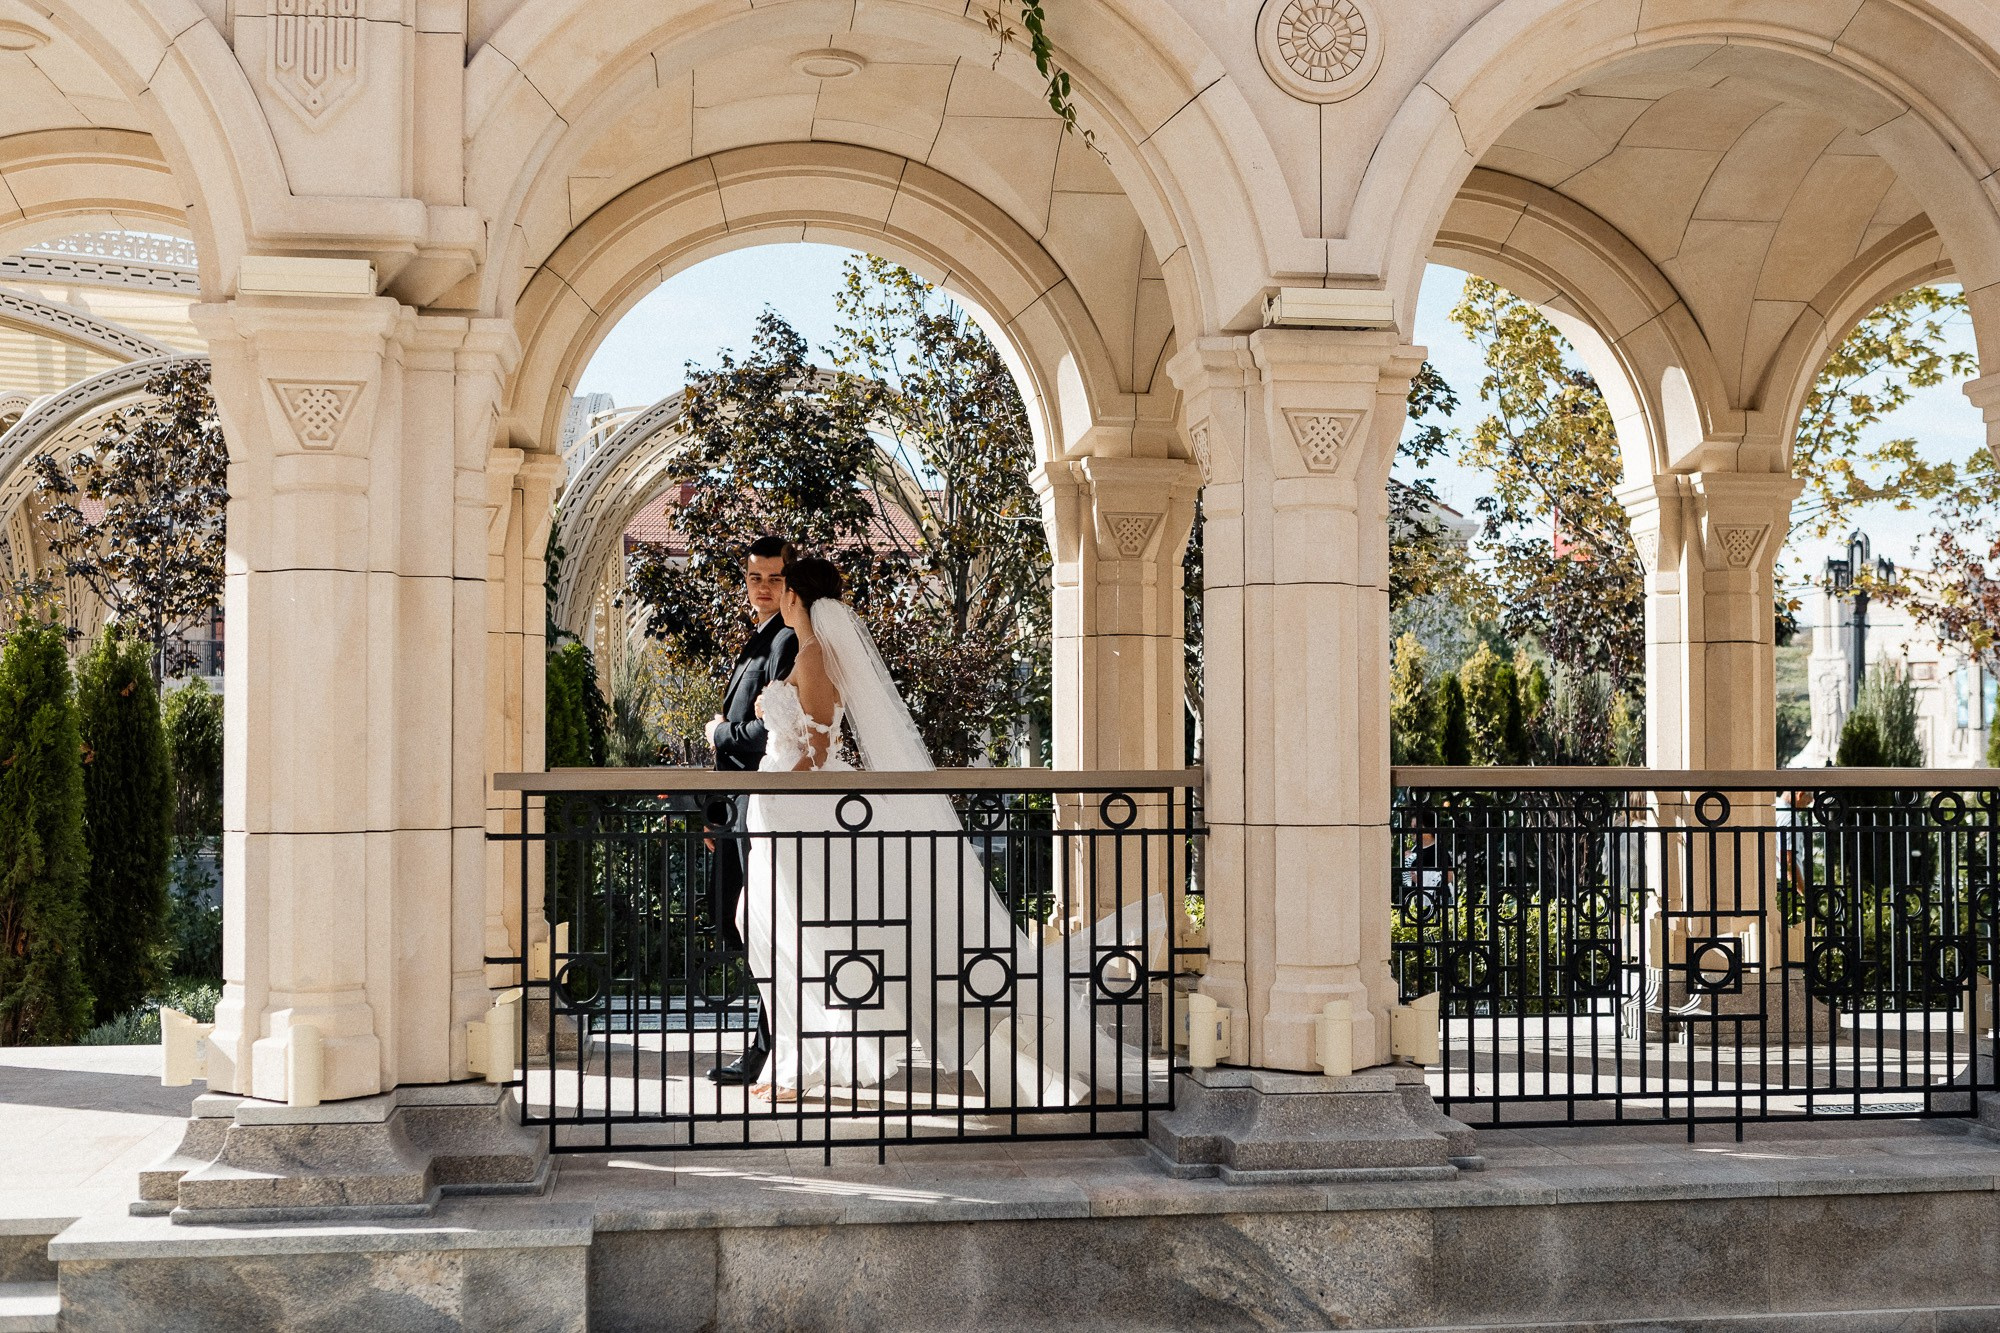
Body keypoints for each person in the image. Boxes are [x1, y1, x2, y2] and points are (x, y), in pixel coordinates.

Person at [741, 556, 1151, 1106]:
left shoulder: (815, 658)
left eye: (783, 587)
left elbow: (818, 753)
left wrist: (776, 792)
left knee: (819, 942)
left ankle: (808, 1062)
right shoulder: (809, 654)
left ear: (796, 596)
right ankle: (800, 1058)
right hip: (790, 819)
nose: (776, 593)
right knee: (791, 937)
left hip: (809, 816)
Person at [701, 535, 797, 1087]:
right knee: (747, 928)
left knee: (765, 929)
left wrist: (720, 730)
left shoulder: (786, 642)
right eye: (755, 578)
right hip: (739, 811)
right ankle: (773, 1042)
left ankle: (766, 1049)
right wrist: (716, 813)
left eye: (774, 579)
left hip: (764, 810)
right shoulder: (757, 640)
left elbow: (770, 735)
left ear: (789, 584)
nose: (763, 588)